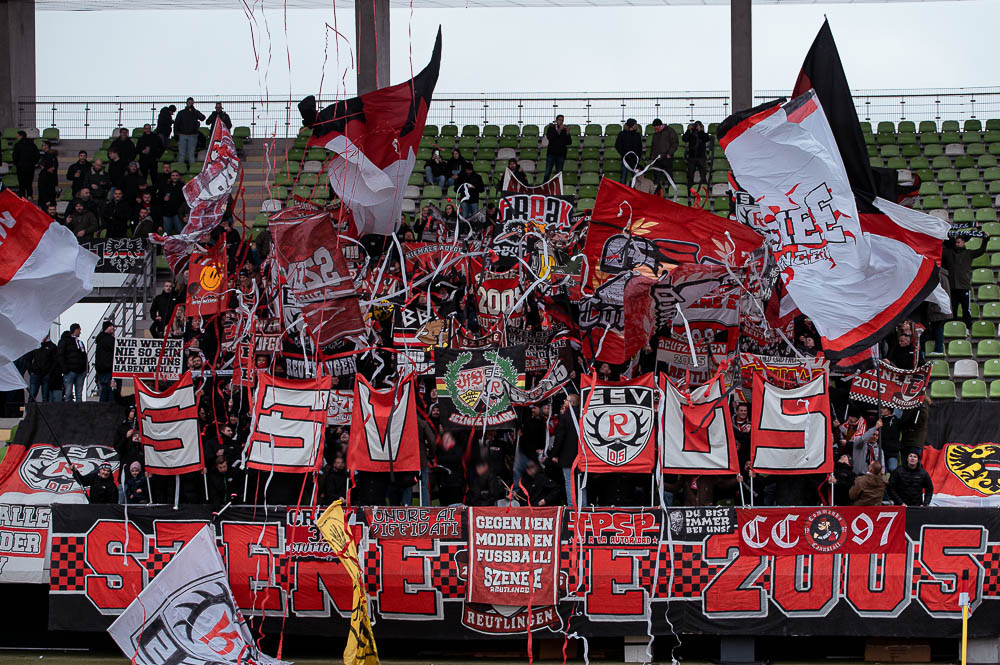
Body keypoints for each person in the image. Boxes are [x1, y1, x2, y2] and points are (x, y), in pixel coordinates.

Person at [942, 234, 989, 329]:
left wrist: (985, 240)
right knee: (952, 310)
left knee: (966, 310)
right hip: (953, 287)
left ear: (964, 243)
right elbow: (940, 250)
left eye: (959, 241)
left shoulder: (969, 253)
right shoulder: (948, 253)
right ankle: (952, 329)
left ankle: (967, 328)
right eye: (956, 242)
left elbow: (981, 251)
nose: (957, 243)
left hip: (964, 287)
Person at [548, 394, 580, 506]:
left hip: (567, 457)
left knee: (569, 483)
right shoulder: (583, 415)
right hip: (582, 456)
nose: (564, 400)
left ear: (571, 403)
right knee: (581, 483)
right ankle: (584, 507)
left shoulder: (566, 416)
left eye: (566, 399)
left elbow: (559, 437)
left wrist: (554, 454)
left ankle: (572, 507)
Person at [682, 121, 712, 201]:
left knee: (703, 176)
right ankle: (689, 192)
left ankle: (704, 192)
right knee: (690, 176)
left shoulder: (703, 134)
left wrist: (700, 131)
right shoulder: (691, 134)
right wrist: (688, 130)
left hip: (701, 157)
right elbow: (684, 139)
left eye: (697, 126)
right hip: (692, 158)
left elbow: (707, 138)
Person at [58, 323, 87, 402]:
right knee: (69, 394)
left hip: (79, 371)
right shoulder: (65, 341)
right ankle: (69, 412)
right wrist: (65, 369)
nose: (80, 332)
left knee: (78, 394)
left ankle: (77, 411)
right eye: (79, 330)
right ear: (76, 330)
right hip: (70, 371)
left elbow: (84, 356)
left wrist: (85, 368)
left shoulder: (79, 342)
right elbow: (60, 355)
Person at [649, 118, 679, 195]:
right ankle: (657, 193)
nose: (654, 128)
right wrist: (652, 155)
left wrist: (670, 153)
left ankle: (672, 193)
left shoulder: (669, 131)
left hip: (666, 157)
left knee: (669, 176)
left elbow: (675, 143)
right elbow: (653, 145)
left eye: (655, 126)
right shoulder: (656, 133)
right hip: (657, 158)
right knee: (656, 177)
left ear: (658, 125)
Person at [174, 97, 206, 165]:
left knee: (191, 154)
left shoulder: (195, 112)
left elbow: (203, 118)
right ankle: (180, 167)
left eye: (191, 103)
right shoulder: (181, 113)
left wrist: (195, 111)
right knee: (181, 154)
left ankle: (192, 168)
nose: (190, 104)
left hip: (192, 135)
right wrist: (176, 134)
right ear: (186, 103)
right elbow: (176, 124)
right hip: (182, 135)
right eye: (189, 103)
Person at [27, 336, 58, 402]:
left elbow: (55, 361)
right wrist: (31, 371)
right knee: (32, 395)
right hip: (36, 373)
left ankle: (44, 412)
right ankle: (30, 412)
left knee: (45, 397)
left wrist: (49, 372)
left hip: (46, 374)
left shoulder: (52, 346)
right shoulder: (35, 344)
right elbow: (28, 359)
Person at [614, 118, 643, 184]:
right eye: (635, 124)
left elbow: (640, 147)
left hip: (635, 160)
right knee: (623, 177)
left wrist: (638, 157)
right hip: (625, 159)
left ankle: (634, 192)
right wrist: (624, 154)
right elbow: (617, 145)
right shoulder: (622, 134)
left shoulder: (637, 135)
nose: (636, 125)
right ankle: (622, 192)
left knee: (635, 177)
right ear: (631, 125)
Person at [11, 130, 39, 198]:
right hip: (30, 167)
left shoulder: (18, 145)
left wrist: (17, 164)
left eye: (18, 136)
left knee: (21, 184)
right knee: (29, 183)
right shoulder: (32, 145)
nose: (17, 137)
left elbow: (15, 156)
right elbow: (37, 155)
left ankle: (22, 197)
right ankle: (30, 196)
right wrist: (33, 163)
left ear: (21, 136)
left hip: (21, 167)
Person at [543, 114, 571, 181]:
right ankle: (544, 188)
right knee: (547, 173)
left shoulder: (564, 130)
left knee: (559, 174)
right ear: (556, 120)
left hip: (561, 155)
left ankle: (558, 189)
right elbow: (550, 138)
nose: (561, 121)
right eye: (559, 120)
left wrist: (568, 134)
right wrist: (558, 131)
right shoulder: (551, 128)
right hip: (551, 154)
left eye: (562, 120)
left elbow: (569, 142)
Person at [94, 320, 115, 403]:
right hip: (109, 367)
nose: (113, 328)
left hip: (101, 369)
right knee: (110, 390)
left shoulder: (100, 340)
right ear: (107, 328)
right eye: (111, 326)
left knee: (104, 390)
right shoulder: (110, 340)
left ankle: (101, 409)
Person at [159, 170, 186, 235]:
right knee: (166, 233)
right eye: (173, 175)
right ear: (170, 177)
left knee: (180, 232)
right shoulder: (165, 186)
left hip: (178, 213)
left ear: (179, 177)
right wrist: (163, 199)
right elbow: (159, 197)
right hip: (167, 213)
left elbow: (185, 200)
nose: (175, 177)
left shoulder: (183, 186)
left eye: (176, 175)